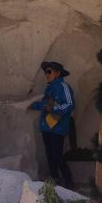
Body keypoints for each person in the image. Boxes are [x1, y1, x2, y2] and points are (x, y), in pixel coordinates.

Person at [28, 61, 75, 189]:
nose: (46, 74)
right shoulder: (49, 88)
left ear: (58, 73)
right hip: (47, 127)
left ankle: (69, 182)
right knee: (50, 155)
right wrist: (34, 105)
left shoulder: (64, 86)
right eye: (45, 72)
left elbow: (70, 105)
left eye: (49, 72)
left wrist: (53, 108)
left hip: (58, 128)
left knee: (57, 155)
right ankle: (55, 181)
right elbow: (45, 106)